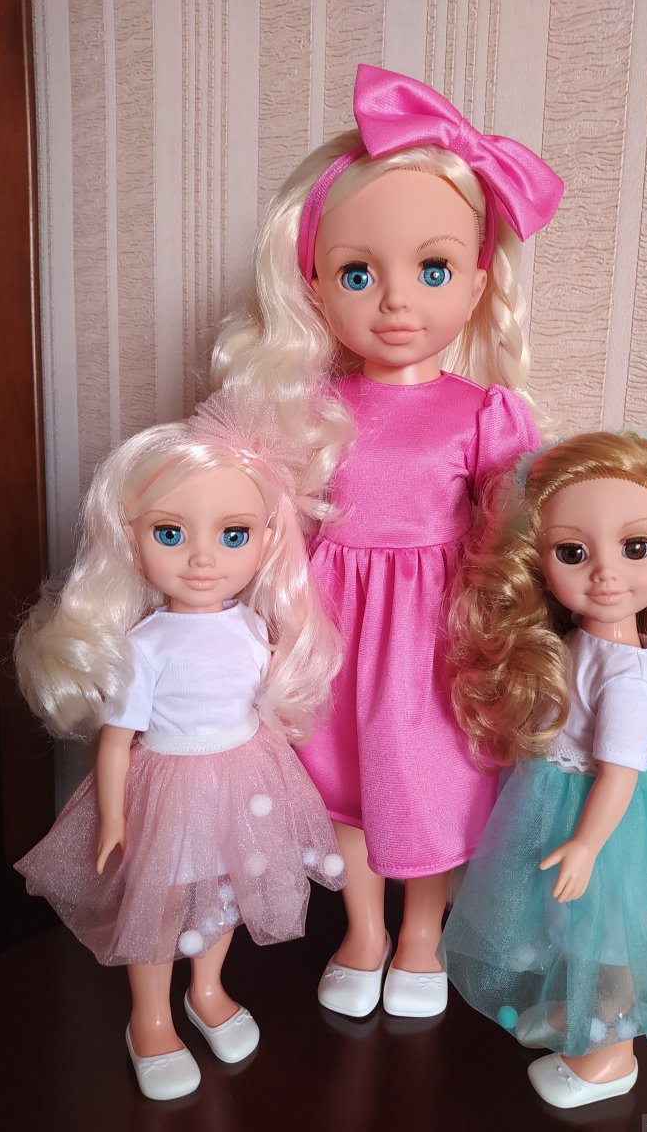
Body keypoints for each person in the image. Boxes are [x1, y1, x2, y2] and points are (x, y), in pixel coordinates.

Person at [212, 64, 563, 1018]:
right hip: (332, 623)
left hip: (438, 629)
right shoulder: (309, 407)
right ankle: (363, 928)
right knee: (342, 779)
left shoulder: (484, 412)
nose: (397, 302)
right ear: (314, 286)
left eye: (433, 270)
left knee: (429, 780)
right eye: (359, 274)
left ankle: (419, 934)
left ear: (478, 281)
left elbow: (513, 530)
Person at [15, 392, 346, 1100]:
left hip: (244, 775)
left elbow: (263, 702)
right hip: (168, 782)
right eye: (170, 534)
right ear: (130, 535)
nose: (201, 558)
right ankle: (150, 1019)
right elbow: (116, 742)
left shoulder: (253, 627)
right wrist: (113, 817)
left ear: (266, 538)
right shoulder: (146, 645)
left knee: (225, 891)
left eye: (233, 535)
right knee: (158, 906)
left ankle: (207, 989)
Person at [442, 431, 647, 1108]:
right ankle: (584, 1014)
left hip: (605, 820)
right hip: (558, 799)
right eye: (573, 552)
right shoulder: (577, 640)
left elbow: (620, 772)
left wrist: (588, 844)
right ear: (539, 558)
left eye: (636, 547)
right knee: (569, 930)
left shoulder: (629, 677)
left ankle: (611, 1054)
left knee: (611, 934)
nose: (605, 573)